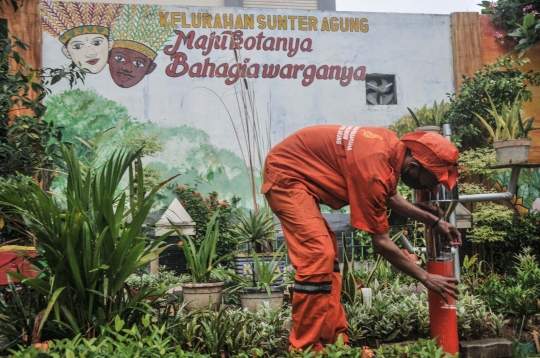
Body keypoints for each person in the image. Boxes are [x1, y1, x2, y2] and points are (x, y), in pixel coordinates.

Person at [261, 125, 461, 352]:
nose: (430, 187)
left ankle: (334, 343)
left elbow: (389, 195)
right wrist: (425, 277)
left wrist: (433, 221)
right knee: (317, 256)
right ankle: (303, 349)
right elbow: (382, 243)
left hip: (299, 173)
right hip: (286, 176)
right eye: (432, 181)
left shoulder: (389, 146)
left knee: (327, 259)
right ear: (414, 167)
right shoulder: (373, 170)